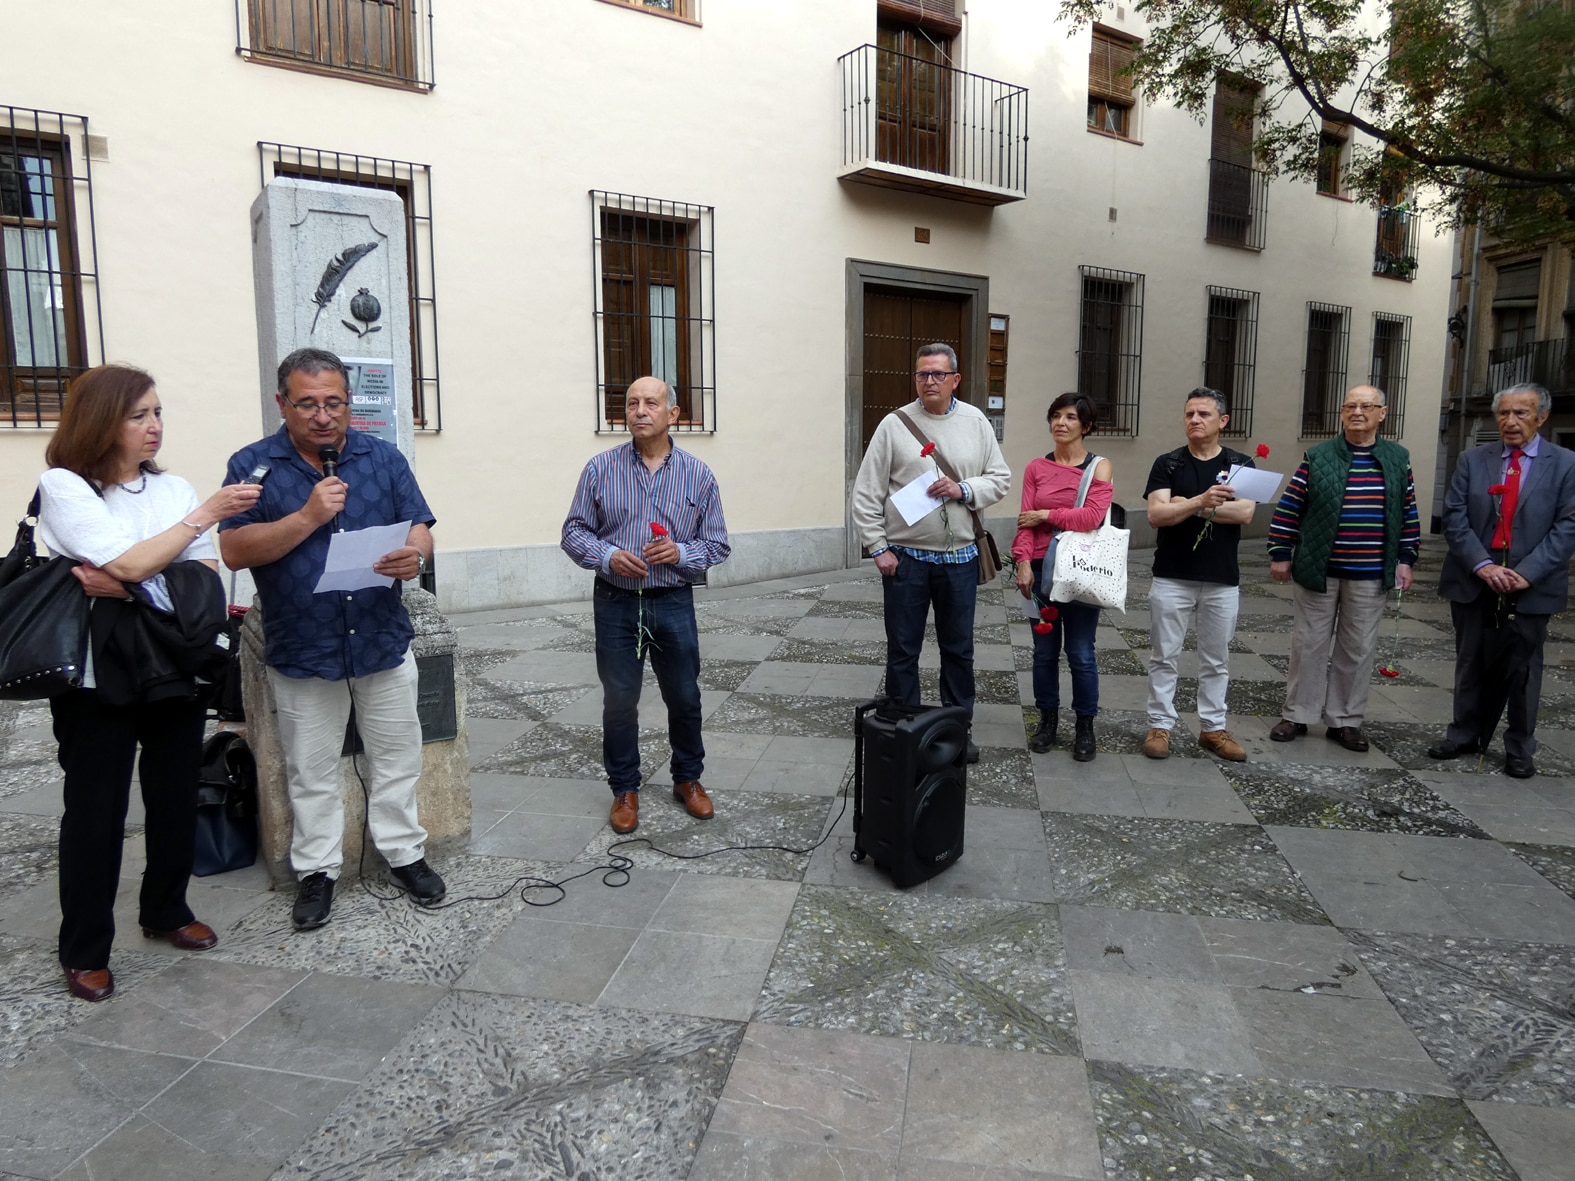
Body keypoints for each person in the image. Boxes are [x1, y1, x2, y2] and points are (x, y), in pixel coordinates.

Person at [37, 363, 262, 1001]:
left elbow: (202, 584)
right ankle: (84, 947)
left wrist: (130, 584)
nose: (154, 426)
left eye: (158, 412)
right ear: (101, 420)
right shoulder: (65, 486)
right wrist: (197, 524)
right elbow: (143, 561)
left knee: (172, 795)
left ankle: (166, 908)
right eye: (138, 415)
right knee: (95, 812)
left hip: (174, 663)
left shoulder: (173, 490)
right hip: (95, 675)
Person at [219, 347, 444, 931]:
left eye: (334, 403)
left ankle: (405, 854)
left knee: (397, 758)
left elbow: (420, 523)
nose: (323, 416)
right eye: (308, 403)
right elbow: (234, 549)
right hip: (304, 644)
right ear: (282, 404)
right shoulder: (252, 466)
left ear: (348, 403)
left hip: (380, 635)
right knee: (310, 769)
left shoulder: (383, 457)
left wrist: (415, 556)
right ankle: (317, 871)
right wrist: (307, 518)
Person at [562, 376, 731, 835]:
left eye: (651, 403)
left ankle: (688, 779)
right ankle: (624, 787)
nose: (639, 410)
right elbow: (573, 532)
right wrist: (607, 555)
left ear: (672, 414)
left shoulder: (698, 474)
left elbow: (717, 544)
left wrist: (681, 554)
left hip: (672, 599)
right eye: (632, 402)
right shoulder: (600, 469)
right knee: (619, 700)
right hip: (616, 600)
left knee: (685, 696)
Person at [851, 343, 1011, 763]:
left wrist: (964, 489)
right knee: (902, 649)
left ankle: (957, 728)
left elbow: (1000, 478)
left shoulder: (975, 422)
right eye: (923, 374)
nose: (929, 381)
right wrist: (878, 547)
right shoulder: (894, 424)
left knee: (958, 650)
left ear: (955, 379)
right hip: (905, 558)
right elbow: (866, 493)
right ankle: (906, 728)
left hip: (959, 559)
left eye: (938, 374)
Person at [1428, 383, 1575, 778]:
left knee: (1524, 668)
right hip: (1476, 578)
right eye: (1504, 414)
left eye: (1521, 413)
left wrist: (1525, 573)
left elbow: (1568, 526)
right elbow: (1454, 517)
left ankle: (1520, 747)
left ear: (1541, 417)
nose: (1510, 422)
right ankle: (1464, 734)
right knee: (1470, 658)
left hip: (1532, 583)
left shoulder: (1566, 464)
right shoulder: (1474, 460)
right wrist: (1482, 565)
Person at [1267, 385, 1419, 752]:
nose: (1357, 412)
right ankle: (1297, 714)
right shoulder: (1317, 457)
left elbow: (1408, 512)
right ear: (1341, 412)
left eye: (1367, 406)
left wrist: (1406, 559)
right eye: (1350, 405)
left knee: (1358, 647)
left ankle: (1345, 720)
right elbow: (1290, 506)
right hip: (1319, 569)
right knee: (1309, 644)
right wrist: (1280, 551)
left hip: (1370, 573)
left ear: (1383, 413)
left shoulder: (1398, 458)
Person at [1140, 389, 1257, 762]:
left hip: (1221, 578)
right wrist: (1202, 501)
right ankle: (1160, 725)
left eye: (1204, 414)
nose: (1194, 419)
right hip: (1173, 575)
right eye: (1189, 413)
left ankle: (1213, 728)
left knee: (1216, 658)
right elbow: (1156, 516)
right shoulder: (1168, 463)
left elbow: (1244, 515)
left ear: (1223, 421)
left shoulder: (1241, 464)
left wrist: (1184, 506)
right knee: (1164, 655)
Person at [1011, 392, 1112, 761]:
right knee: (1043, 652)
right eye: (1055, 416)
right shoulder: (1036, 467)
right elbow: (1024, 519)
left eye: (1071, 417)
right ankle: (1048, 720)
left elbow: (1092, 518)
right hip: (1039, 569)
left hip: (1080, 569)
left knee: (1081, 653)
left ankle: (1085, 725)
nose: (1061, 423)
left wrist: (1046, 515)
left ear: (1086, 425)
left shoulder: (1098, 467)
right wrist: (1022, 561)